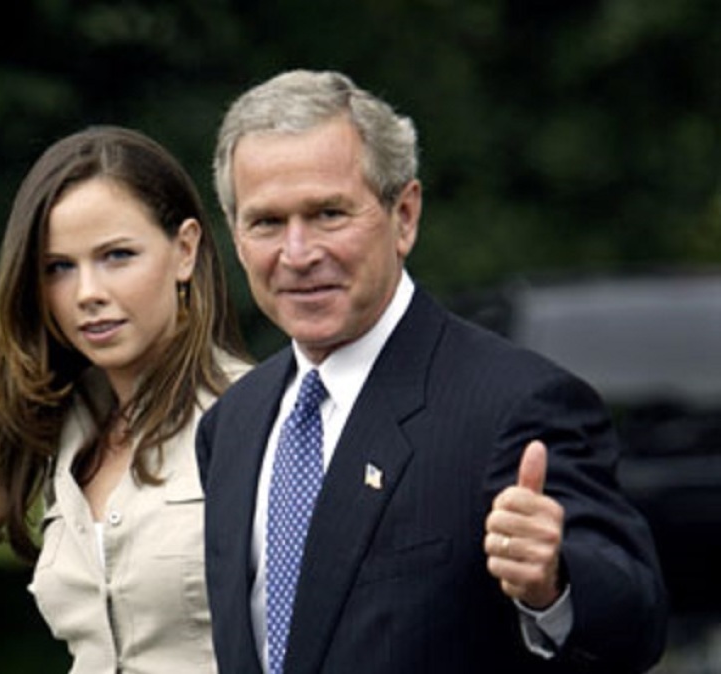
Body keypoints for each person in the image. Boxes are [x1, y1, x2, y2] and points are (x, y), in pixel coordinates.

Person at [195, 70, 667, 673]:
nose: (298, 253)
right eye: (266, 222)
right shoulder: (232, 426)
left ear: (405, 216)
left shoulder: (513, 405)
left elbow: (638, 623)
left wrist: (554, 585)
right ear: (235, 238)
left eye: (329, 213)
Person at [0, 124, 252, 673]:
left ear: (185, 250)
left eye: (117, 255)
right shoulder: (67, 436)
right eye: (58, 267)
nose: (87, 294)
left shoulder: (258, 416)